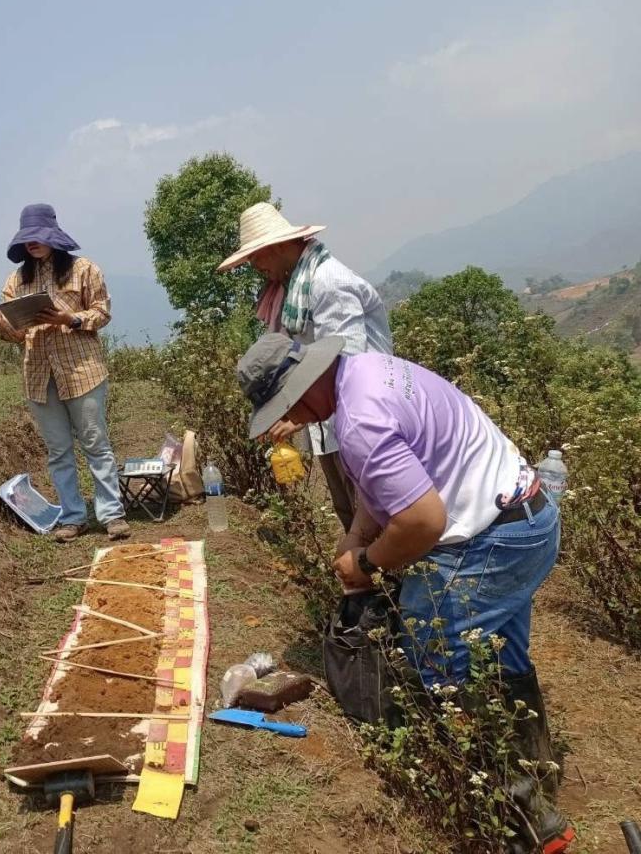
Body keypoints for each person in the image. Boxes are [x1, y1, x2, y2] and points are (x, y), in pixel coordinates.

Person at [236, 332, 573, 854]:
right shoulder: (368, 373)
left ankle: (527, 824)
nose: (292, 419)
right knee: (501, 657)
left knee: (438, 661)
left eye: (287, 407)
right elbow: (393, 486)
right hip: (527, 519)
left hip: (489, 541)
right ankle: (537, 772)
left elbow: (421, 521)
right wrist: (356, 536)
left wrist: (368, 563)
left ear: (301, 387)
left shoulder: (359, 421)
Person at [219, 203, 391, 532]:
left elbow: (347, 363)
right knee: (349, 511)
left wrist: (298, 416)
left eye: (256, 258)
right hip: (329, 422)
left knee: (374, 514)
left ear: (278, 247)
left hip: (361, 419)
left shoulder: (328, 283)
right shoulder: (293, 288)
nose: (256, 267)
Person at [0, 204, 129, 544]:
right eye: (27, 238)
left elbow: (102, 313)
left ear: (53, 236)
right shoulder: (16, 281)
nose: (32, 243)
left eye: (38, 236)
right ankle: (73, 517)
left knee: (95, 443)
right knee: (59, 450)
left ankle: (112, 515)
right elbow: (18, 335)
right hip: (39, 374)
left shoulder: (83, 269)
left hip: (82, 370)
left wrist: (69, 319)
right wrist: (1, 324)